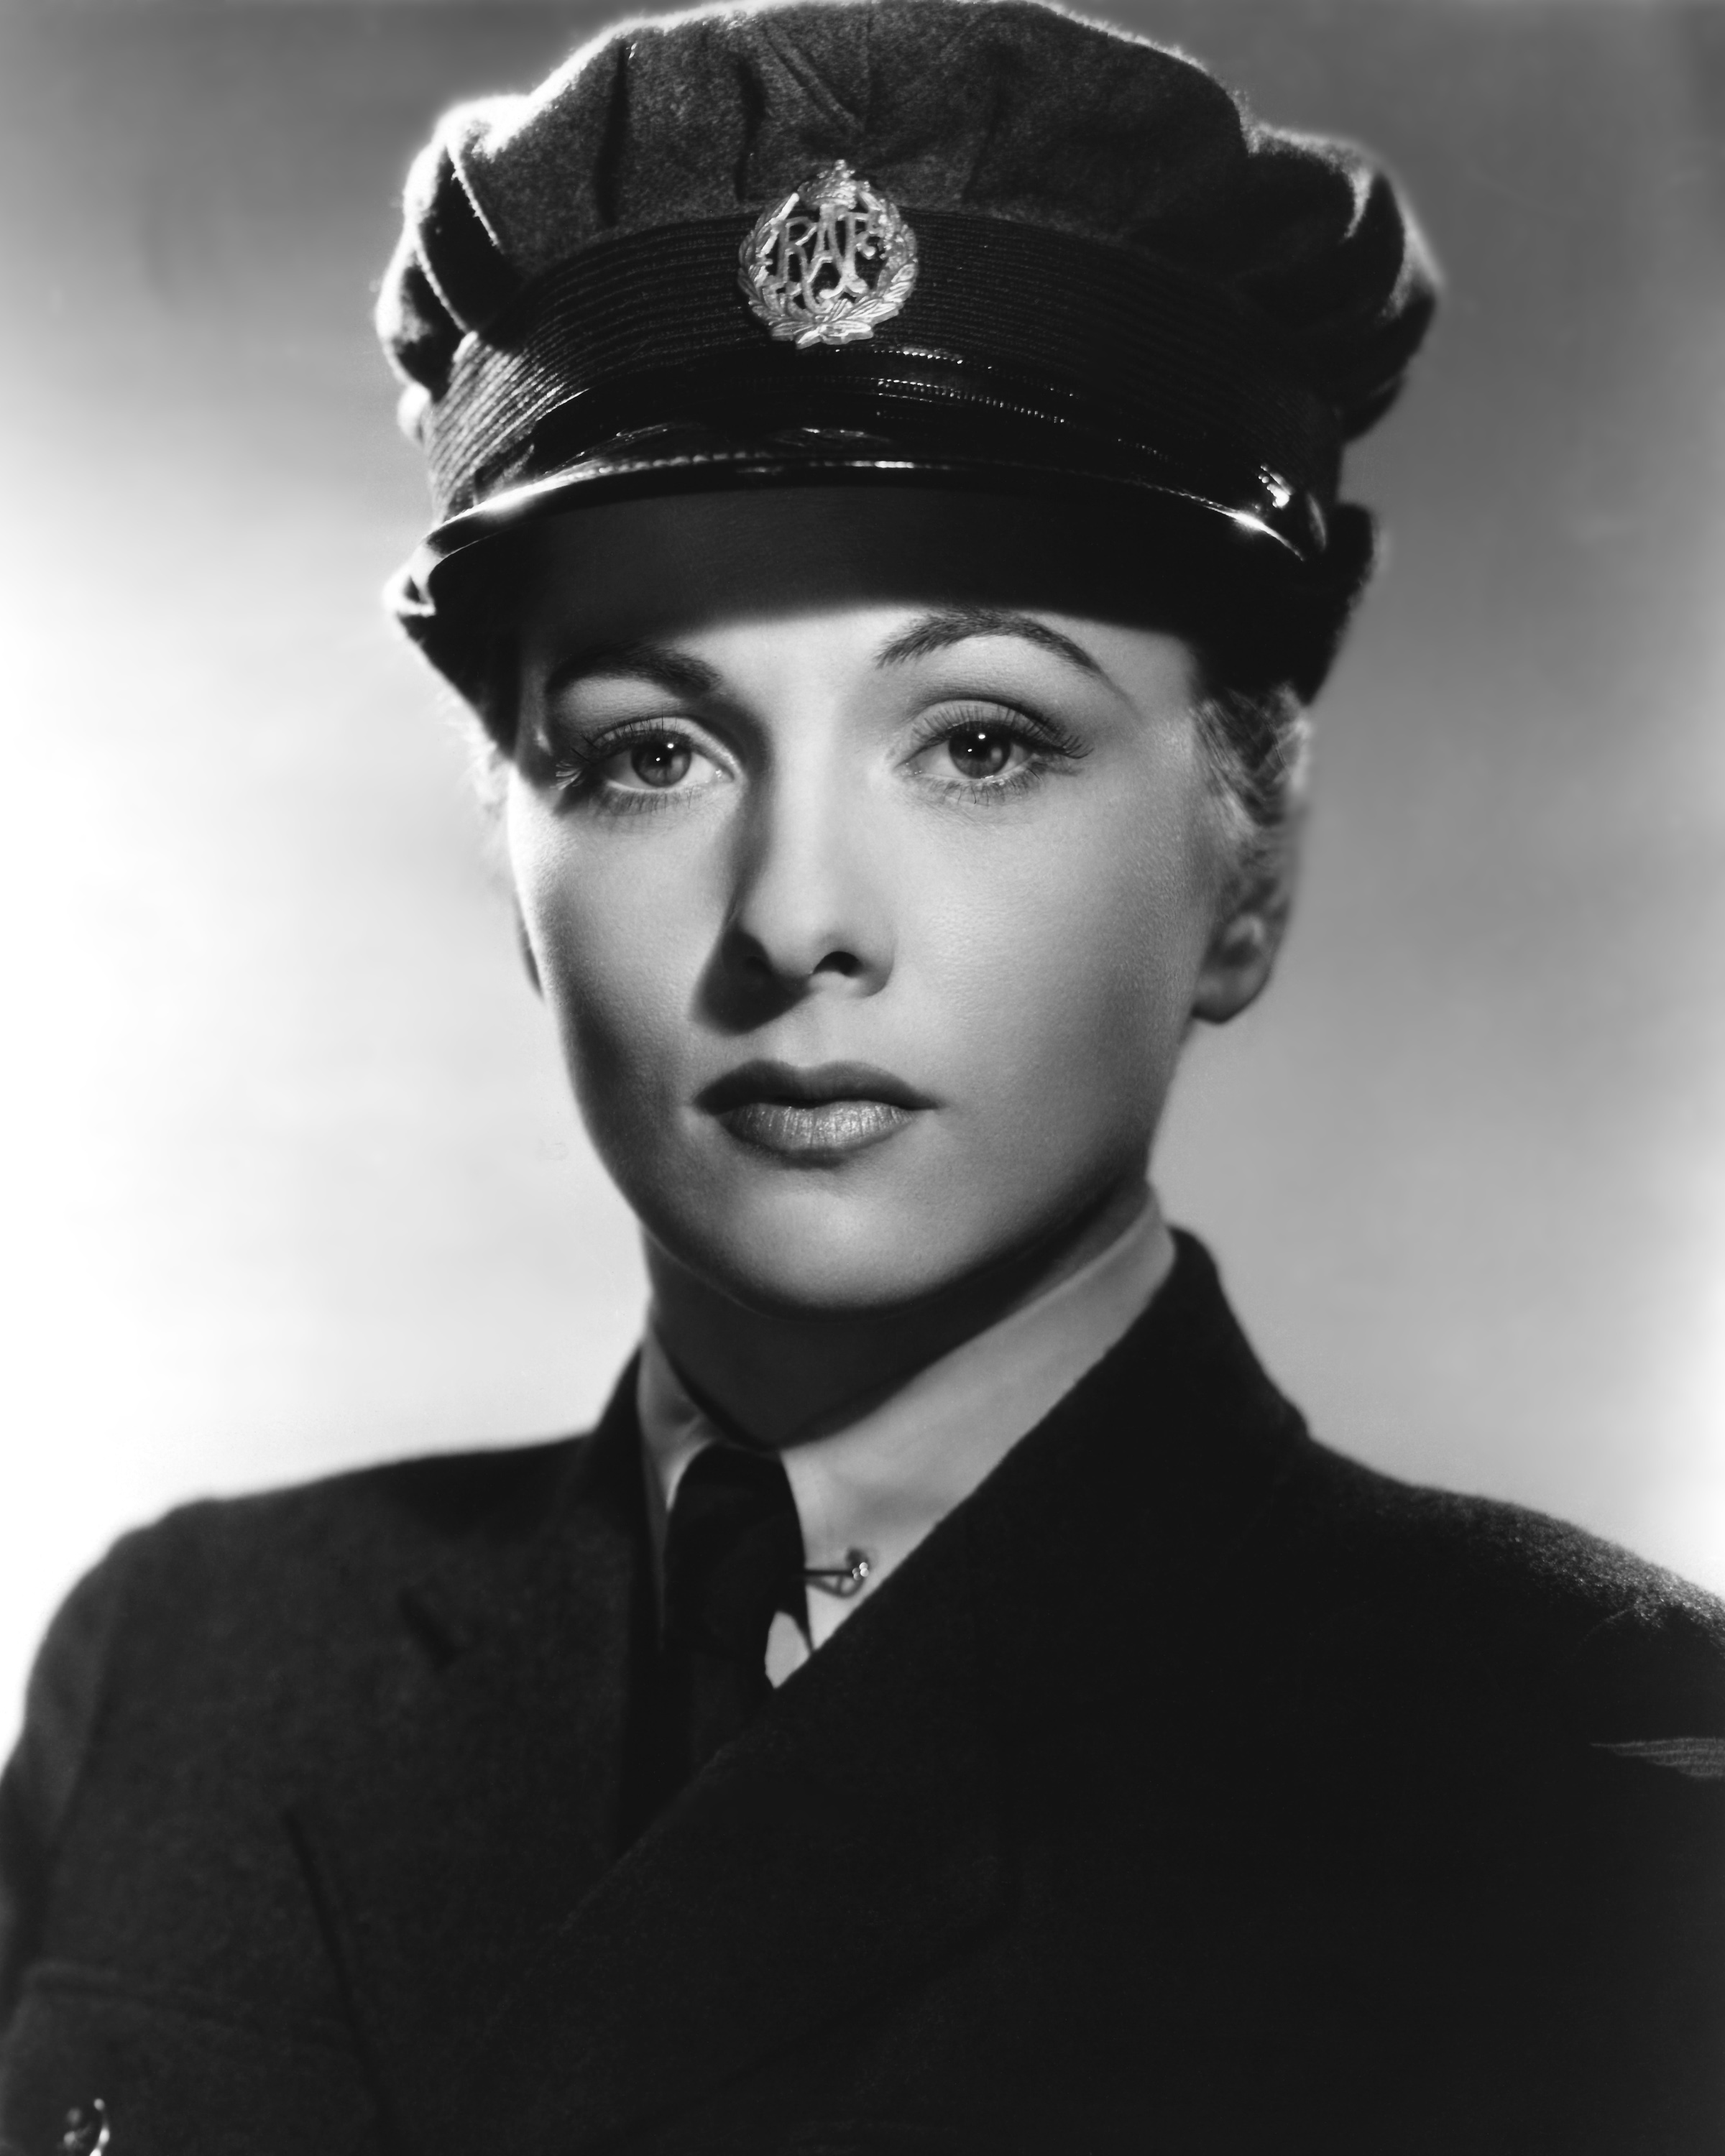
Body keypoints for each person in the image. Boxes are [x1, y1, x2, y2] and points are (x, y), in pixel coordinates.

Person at [1, 2, 1721, 2150]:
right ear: (513, 863)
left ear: (1249, 863)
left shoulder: (1586, 1762)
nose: (798, 914)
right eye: (649, 752)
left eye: (981, 741)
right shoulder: (183, 1666)